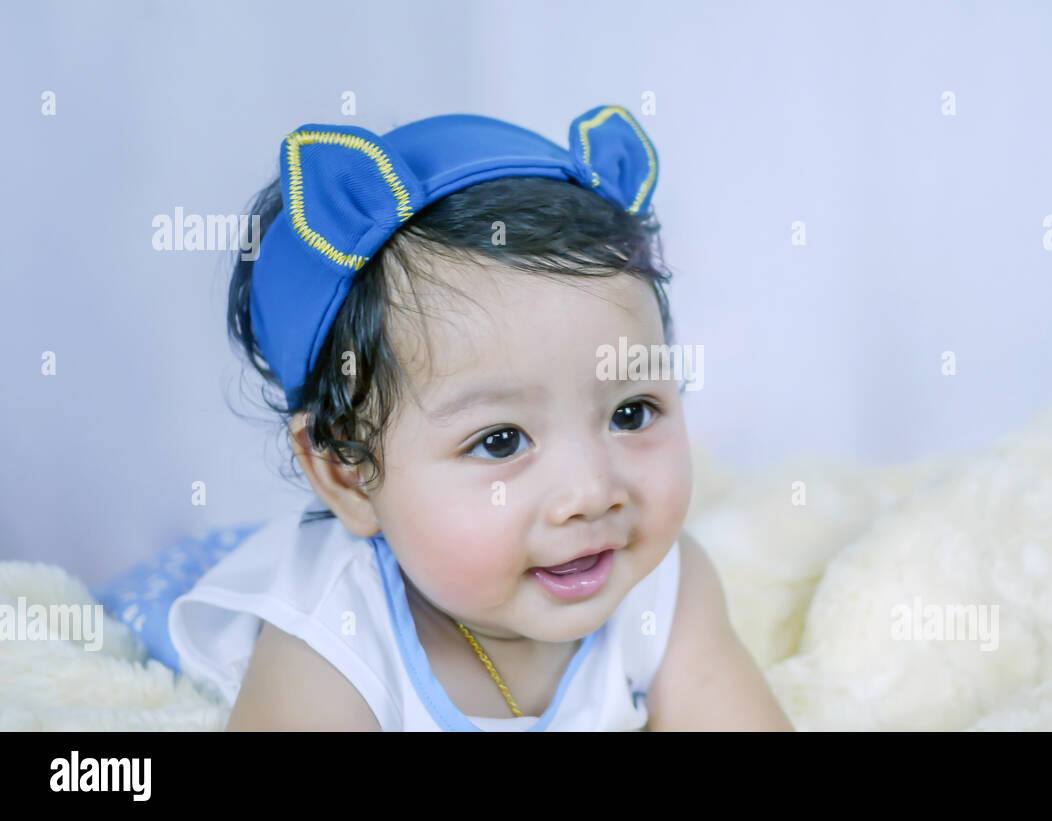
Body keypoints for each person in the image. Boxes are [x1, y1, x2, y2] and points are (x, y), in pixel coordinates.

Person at [167, 104, 794, 731]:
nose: (591, 493)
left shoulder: (664, 590)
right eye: (500, 441)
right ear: (348, 474)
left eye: (631, 413)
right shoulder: (333, 638)